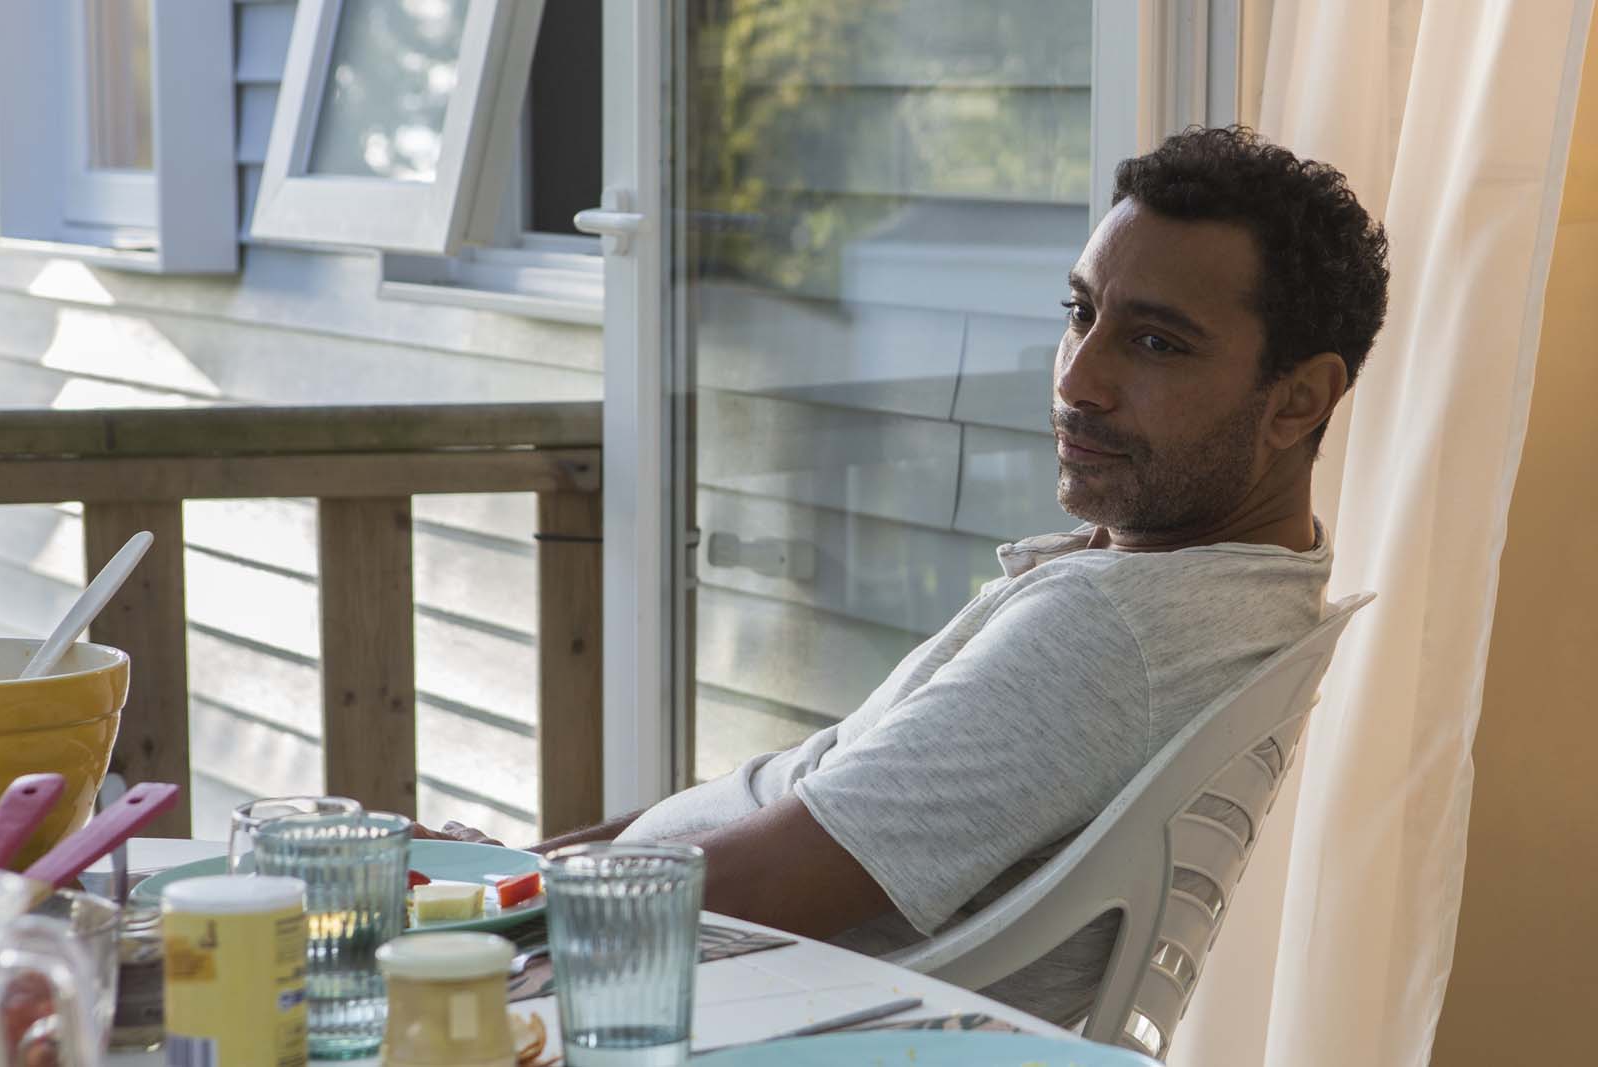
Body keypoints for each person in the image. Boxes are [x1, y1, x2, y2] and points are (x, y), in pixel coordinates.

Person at [424, 126, 1391, 1026]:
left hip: (678, 1004)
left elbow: (751, 892)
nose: (1075, 380)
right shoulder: (1237, 584)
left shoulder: (1113, 637)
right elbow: (801, 794)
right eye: (1081, 313)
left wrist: (483, 903)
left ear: (1299, 399)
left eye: (1155, 343)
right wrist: (522, 866)